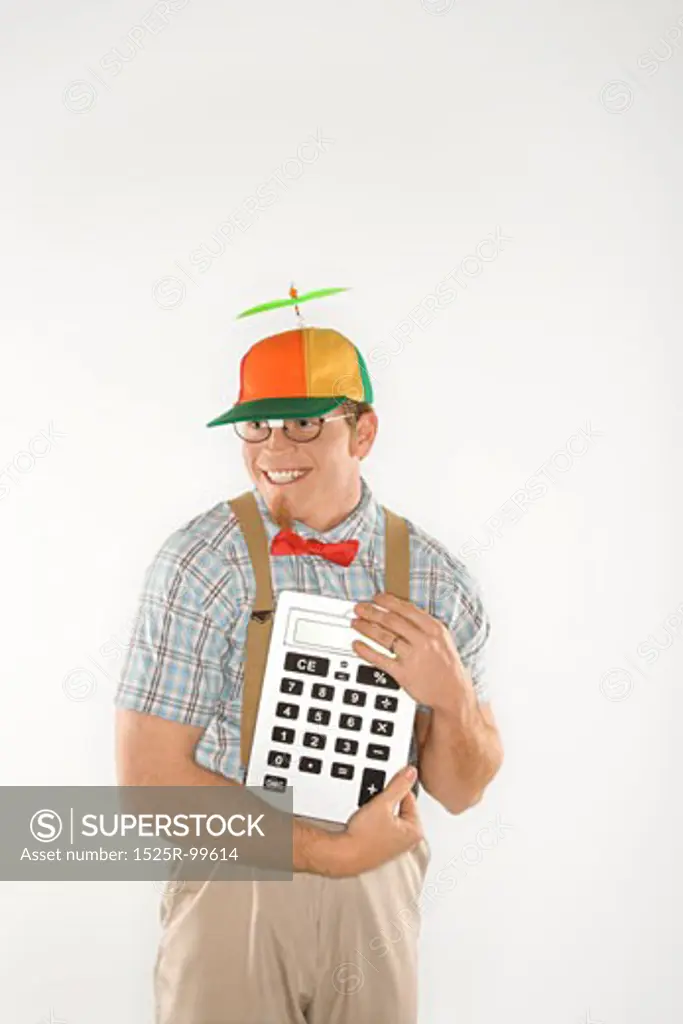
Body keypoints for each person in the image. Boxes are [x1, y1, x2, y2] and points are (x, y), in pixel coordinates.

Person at [114, 317, 504, 1024]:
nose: (273, 451)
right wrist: (330, 852)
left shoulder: (438, 581)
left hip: (377, 894)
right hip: (235, 886)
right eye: (255, 428)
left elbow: (460, 788)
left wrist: (451, 700)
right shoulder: (201, 563)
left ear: (362, 433)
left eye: (300, 424)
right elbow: (150, 784)